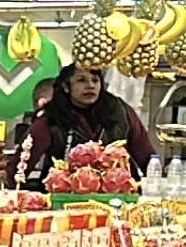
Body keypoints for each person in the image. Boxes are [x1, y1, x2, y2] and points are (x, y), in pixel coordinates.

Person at [10, 60, 157, 185]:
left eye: (95, 80)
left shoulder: (120, 112)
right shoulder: (51, 117)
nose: (90, 86)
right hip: (65, 197)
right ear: (66, 87)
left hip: (119, 195)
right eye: (82, 80)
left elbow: (148, 158)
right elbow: (18, 168)